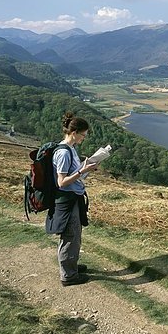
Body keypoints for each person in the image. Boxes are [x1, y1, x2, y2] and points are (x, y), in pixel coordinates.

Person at [45, 112, 97, 286]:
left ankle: (71, 265)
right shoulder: (64, 153)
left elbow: (74, 175)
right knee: (70, 235)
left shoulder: (71, 149)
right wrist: (82, 171)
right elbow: (61, 182)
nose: (84, 138)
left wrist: (86, 168)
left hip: (73, 198)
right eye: (83, 135)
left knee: (75, 234)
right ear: (74, 133)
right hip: (66, 200)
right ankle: (68, 276)